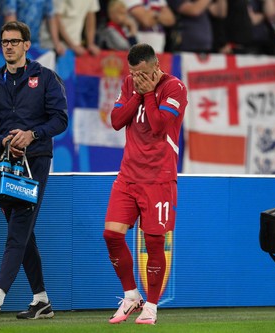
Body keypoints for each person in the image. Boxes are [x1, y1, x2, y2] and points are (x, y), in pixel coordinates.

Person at [0, 20, 68, 321]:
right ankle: (41, 300)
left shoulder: (46, 78)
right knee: (23, 232)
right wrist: (3, 140)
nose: (9, 46)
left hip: (34, 163)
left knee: (18, 229)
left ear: (27, 45)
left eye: (15, 41)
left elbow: (60, 119)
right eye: (5, 42)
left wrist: (32, 135)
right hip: (3, 164)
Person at [103, 43, 187, 325]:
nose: (136, 78)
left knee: (154, 242)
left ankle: (151, 305)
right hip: (128, 176)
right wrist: (138, 95)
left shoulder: (175, 88)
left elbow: (159, 125)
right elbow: (115, 121)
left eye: (142, 74)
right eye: (133, 73)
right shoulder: (130, 84)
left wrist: (148, 94)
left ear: (155, 67)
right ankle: (131, 294)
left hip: (158, 178)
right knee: (112, 235)